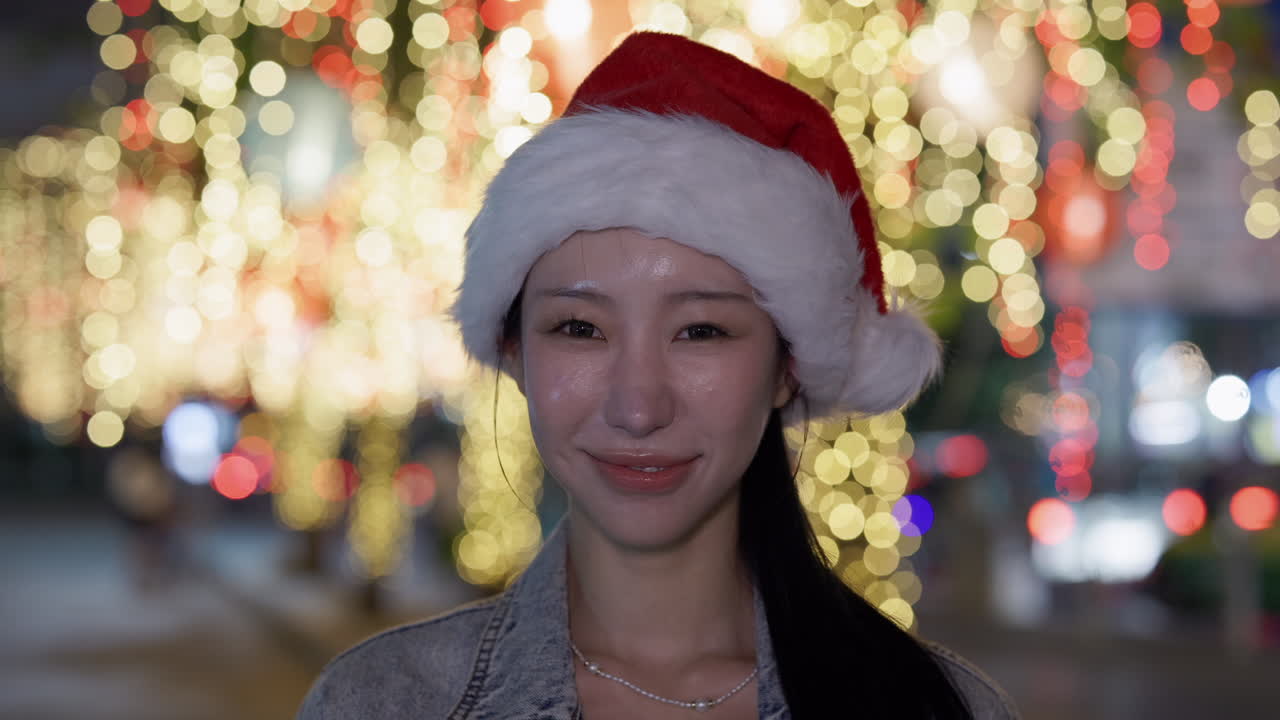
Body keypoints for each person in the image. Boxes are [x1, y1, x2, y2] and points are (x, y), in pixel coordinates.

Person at [298, 31, 1019, 719]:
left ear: (786, 367)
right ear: (514, 352)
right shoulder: (386, 701)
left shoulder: (936, 707)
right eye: (579, 329)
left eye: (701, 331)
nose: (638, 406)